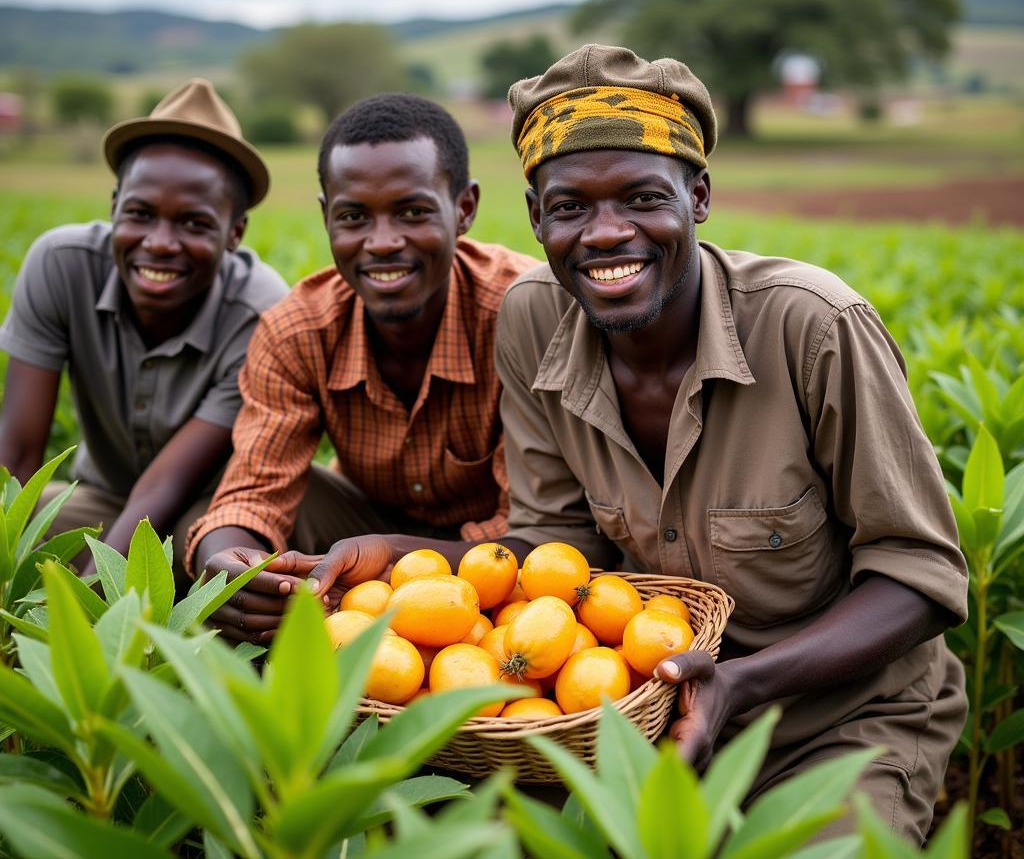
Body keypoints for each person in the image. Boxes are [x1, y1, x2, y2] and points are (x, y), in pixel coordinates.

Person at [299, 46, 969, 843]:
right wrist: (395, 553)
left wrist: (740, 685)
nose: (606, 234)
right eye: (571, 207)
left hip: (839, 721)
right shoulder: (532, 319)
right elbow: (554, 550)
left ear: (700, 196)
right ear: (538, 217)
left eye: (644, 198)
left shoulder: (812, 326)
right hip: (627, 718)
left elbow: (919, 578)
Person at [186, 93, 536, 642]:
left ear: (464, 208)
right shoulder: (297, 329)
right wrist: (229, 562)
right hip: (363, 529)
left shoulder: (522, 313)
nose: (382, 243)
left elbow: (538, 532)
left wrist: (393, 555)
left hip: (500, 561)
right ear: (327, 216)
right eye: (353, 217)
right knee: (218, 516)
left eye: (413, 212)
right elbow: (254, 491)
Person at [0, 79, 288, 579]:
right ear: (114, 204)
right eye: (139, 214)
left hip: (206, 511)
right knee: (35, 525)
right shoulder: (62, 264)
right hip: (100, 498)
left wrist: (88, 605)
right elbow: (18, 451)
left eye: (194, 224)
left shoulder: (260, 310)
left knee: (214, 573)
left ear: (235, 232)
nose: (159, 243)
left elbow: (165, 488)